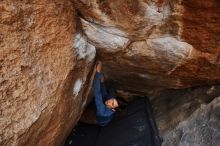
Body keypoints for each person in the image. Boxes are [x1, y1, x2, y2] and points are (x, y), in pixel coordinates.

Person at [92, 61, 119, 126]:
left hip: (101, 120)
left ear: (112, 108)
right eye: (112, 100)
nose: (110, 100)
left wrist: (98, 72)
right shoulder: (109, 102)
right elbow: (104, 94)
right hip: (107, 111)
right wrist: (102, 83)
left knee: (101, 99)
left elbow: (97, 92)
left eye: (112, 103)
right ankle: (113, 85)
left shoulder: (102, 110)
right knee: (111, 94)